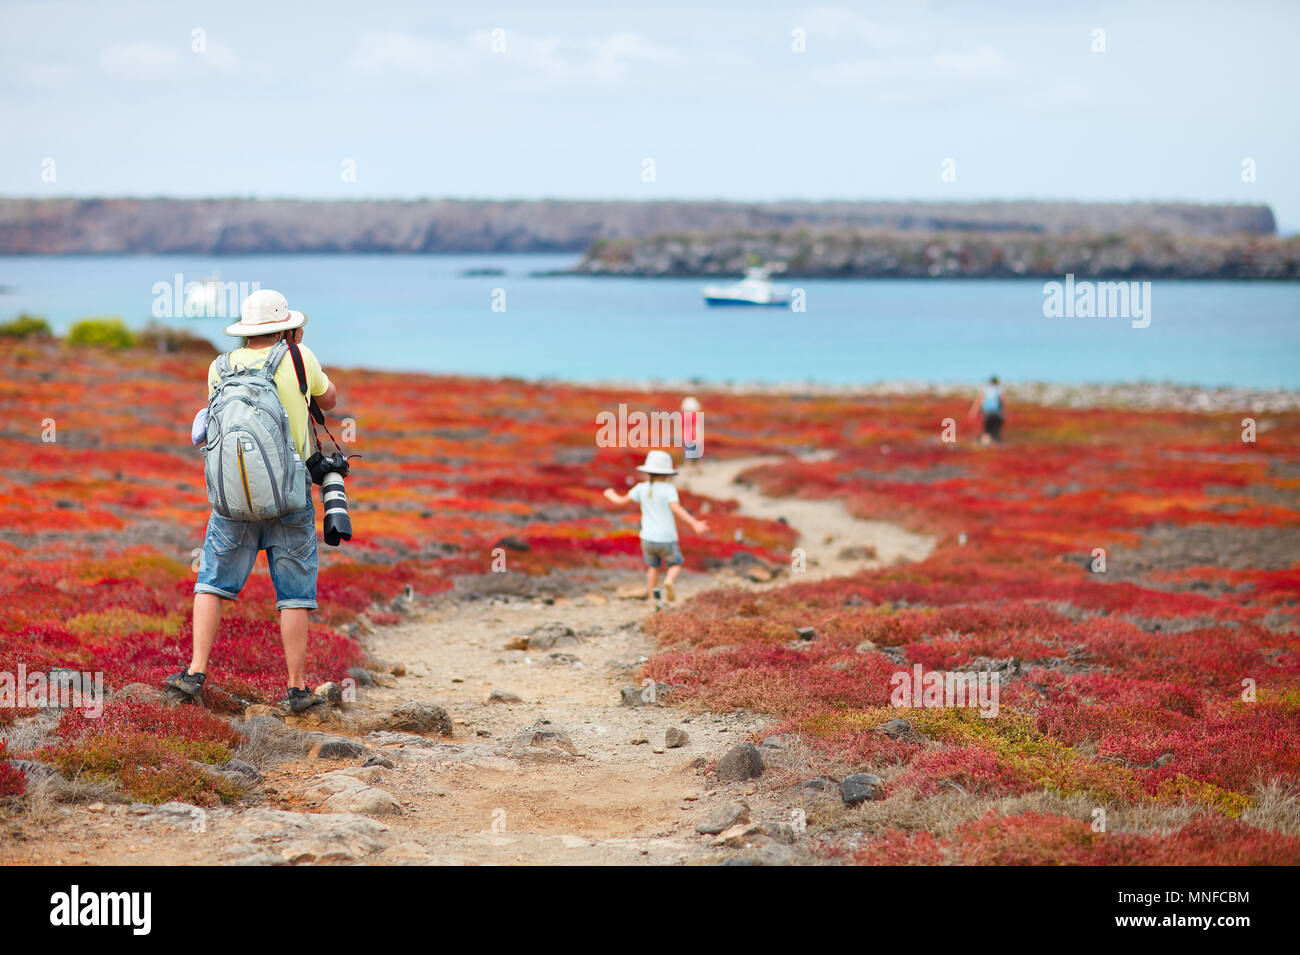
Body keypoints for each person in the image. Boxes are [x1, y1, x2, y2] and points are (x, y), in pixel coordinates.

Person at [165, 289, 338, 712]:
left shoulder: (219, 367)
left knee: (210, 584)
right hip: (289, 497)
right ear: (286, 328)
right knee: (294, 594)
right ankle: (297, 688)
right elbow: (330, 400)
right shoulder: (299, 357)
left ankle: (194, 673)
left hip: (231, 499)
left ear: (245, 331)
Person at [603, 449, 708, 607]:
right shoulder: (668, 490)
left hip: (647, 538)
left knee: (653, 568)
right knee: (675, 565)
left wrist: (610, 494)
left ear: (648, 472)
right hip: (667, 538)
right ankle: (669, 580)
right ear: (666, 474)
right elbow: (677, 509)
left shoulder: (641, 488)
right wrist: (695, 523)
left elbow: (620, 502)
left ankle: (653, 599)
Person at [968, 375, 1005, 445]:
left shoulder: (985, 390)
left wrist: (973, 412)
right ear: (997, 382)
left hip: (987, 413)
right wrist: (1003, 412)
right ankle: (996, 447)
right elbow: (1002, 400)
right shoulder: (998, 390)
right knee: (995, 431)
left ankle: (985, 447)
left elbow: (978, 401)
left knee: (986, 431)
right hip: (996, 413)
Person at [679, 395, 702, 470]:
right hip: (694, 438)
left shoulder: (683, 416)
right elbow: (696, 427)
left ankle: (688, 469)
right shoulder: (695, 416)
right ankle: (699, 468)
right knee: (697, 454)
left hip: (686, 438)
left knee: (688, 454)